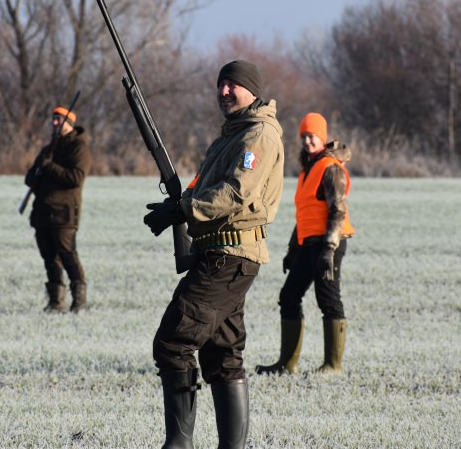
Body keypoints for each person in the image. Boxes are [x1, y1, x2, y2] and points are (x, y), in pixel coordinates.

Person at [143, 60, 284, 449]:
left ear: (252, 89)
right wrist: (180, 203)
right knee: (222, 355)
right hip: (221, 252)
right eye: (220, 85)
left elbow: (236, 193)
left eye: (232, 85)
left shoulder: (258, 135)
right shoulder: (233, 133)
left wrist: (183, 211)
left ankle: (178, 445)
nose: (224, 92)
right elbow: (209, 186)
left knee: (173, 343)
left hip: (230, 255)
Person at [255, 112, 354, 376]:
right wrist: (293, 250)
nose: (308, 141)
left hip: (329, 243)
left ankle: (333, 365)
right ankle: (287, 364)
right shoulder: (308, 169)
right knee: (289, 296)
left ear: (322, 138)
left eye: (312, 137)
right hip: (308, 243)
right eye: (304, 137)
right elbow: (305, 215)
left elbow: (338, 211)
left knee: (328, 300)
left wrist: (329, 249)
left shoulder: (330, 168)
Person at [24, 105, 91, 313]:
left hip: (64, 213)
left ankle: (79, 303)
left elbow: (75, 178)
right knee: (49, 258)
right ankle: (56, 302)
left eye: (58, 120)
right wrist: (38, 170)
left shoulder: (79, 148)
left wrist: (49, 167)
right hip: (42, 212)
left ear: (69, 123)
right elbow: (29, 179)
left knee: (68, 255)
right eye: (53, 119)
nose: (54, 123)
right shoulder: (48, 149)